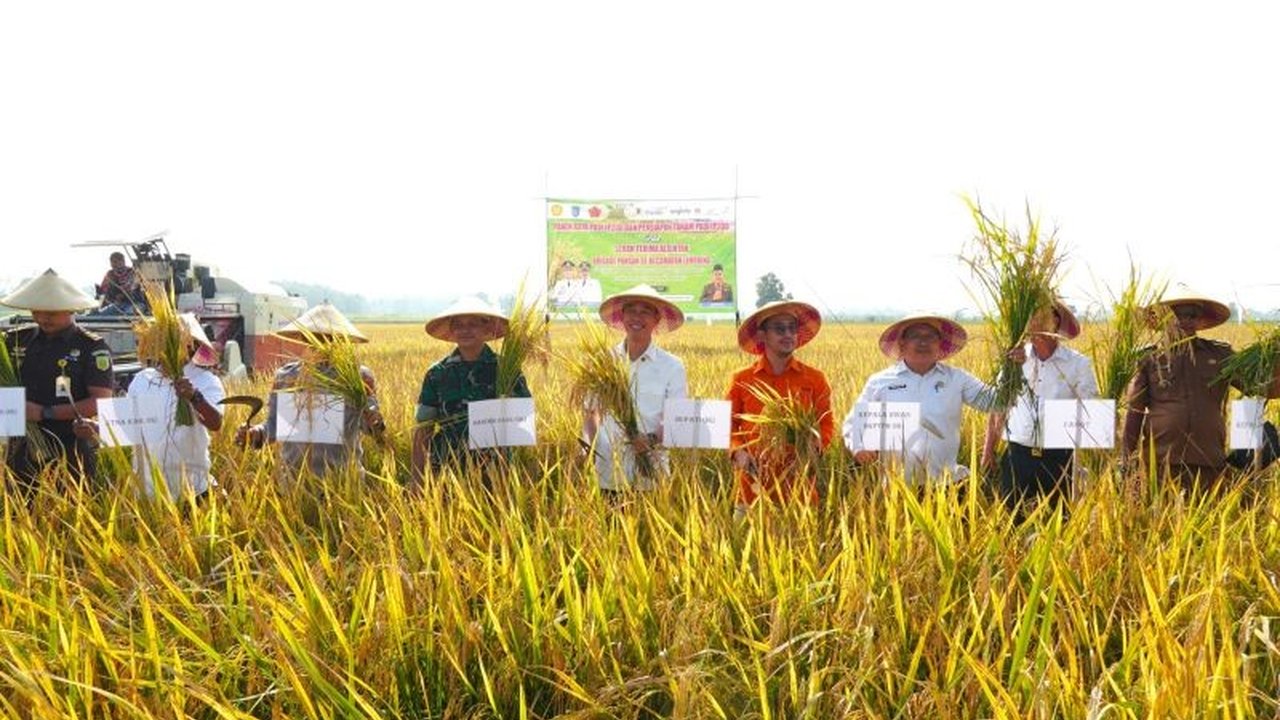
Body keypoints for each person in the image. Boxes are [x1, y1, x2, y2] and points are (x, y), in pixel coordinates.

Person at [1122, 285, 1280, 492]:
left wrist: (1275, 353)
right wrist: (1126, 461)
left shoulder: (1221, 355)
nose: (1186, 320)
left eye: (1192, 315)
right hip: (1160, 463)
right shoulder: (1148, 359)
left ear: (1199, 320)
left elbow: (1262, 388)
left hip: (1210, 461)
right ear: (1164, 319)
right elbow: (1134, 413)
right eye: (1178, 315)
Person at [844, 313, 999, 484]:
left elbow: (996, 402)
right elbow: (853, 424)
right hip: (897, 487)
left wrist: (1012, 366)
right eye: (914, 336)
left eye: (930, 336)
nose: (923, 342)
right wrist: (858, 447)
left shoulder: (957, 378)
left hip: (947, 484)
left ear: (940, 343)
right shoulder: (880, 382)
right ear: (902, 343)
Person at [236, 302, 385, 477]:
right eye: (315, 336)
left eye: (330, 337)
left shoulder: (358, 378)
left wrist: (375, 421)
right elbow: (275, 426)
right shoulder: (287, 377)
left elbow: (374, 430)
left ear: (342, 339)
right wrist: (255, 434)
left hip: (342, 483)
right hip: (293, 483)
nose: (322, 342)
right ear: (304, 338)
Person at [1, 269, 113, 495]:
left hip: (70, 446)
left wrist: (44, 412)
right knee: (20, 516)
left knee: (69, 518)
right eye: (37, 311)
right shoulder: (16, 340)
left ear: (71, 308)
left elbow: (100, 402)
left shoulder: (91, 347)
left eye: (52, 312)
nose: (43, 318)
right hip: (21, 448)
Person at [980, 301, 1098, 509]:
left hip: (1059, 459)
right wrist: (988, 452)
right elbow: (999, 407)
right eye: (1031, 315)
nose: (1034, 321)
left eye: (1042, 314)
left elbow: (1091, 412)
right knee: (1012, 524)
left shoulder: (1078, 364)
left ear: (1056, 321)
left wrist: (1094, 460)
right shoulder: (1014, 359)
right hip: (1017, 456)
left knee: (1059, 523)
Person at [411, 296, 531, 488]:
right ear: (452, 331)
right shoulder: (437, 373)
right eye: (458, 325)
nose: (465, 330)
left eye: (472, 324)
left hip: (497, 471)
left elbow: (523, 420)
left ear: (486, 329)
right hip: (446, 469)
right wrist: (416, 478)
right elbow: (423, 428)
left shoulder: (506, 370)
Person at [727, 300, 834, 508]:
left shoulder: (814, 379)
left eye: (792, 329)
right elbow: (727, 427)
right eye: (779, 328)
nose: (787, 334)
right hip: (751, 489)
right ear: (761, 335)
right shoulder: (742, 379)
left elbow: (826, 423)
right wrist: (737, 452)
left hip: (800, 492)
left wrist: (816, 446)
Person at [585, 285, 688, 497]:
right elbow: (590, 411)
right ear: (622, 317)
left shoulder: (672, 366)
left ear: (656, 319)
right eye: (631, 310)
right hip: (607, 471)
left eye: (645, 311)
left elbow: (676, 420)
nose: (637, 317)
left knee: (651, 530)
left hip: (652, 474)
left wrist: (649, 440)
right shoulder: (603, 361)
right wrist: (592, 451)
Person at [124, 313, 225, 501]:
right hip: (147, 491)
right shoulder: (142, 380)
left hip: (192, 490)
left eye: (174, 341)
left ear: (192, 346)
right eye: (160, 341)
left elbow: (216, 423)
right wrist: (97, 429)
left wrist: (194, 397)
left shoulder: (205, 381)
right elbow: (128, 426)